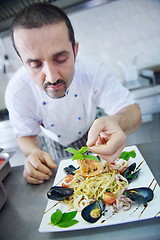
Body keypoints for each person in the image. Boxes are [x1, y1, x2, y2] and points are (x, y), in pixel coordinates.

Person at [5, 3, 142, 184]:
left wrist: (116, 121)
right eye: (36, 64)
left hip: (93, 137)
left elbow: (133, 111)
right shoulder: (17, 91)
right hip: (54, 146)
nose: (52, 77)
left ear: (75, 51)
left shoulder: (92, 71)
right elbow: (25, 134)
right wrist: (34, 154)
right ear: (22, 62)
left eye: (60, 59)